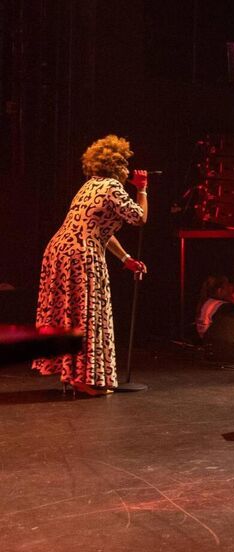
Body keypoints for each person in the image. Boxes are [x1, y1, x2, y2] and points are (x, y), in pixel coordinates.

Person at [34, 135, 147, 396]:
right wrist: (141, 189)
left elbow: (101, 230)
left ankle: (71, 373)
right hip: (80, 254)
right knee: (87, 313)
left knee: (69, 312)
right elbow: (139, 218)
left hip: (60, 250)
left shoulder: (89, 186)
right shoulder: (111, 187)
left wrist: (125, 259)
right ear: (119, 165)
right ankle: (82, 379)